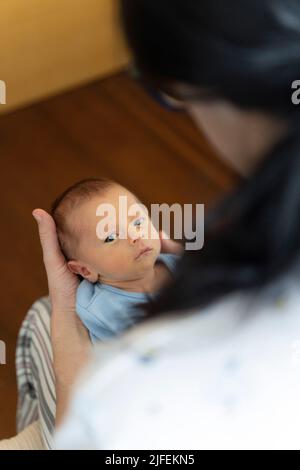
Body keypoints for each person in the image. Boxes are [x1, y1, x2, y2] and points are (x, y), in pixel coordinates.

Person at [8, 0, 300, 449]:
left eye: (137, 219)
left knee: (41, 316)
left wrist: (69, 364)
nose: (134, 235)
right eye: (110, 235)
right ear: (86, 271)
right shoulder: (97, 310)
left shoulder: (124, 405)